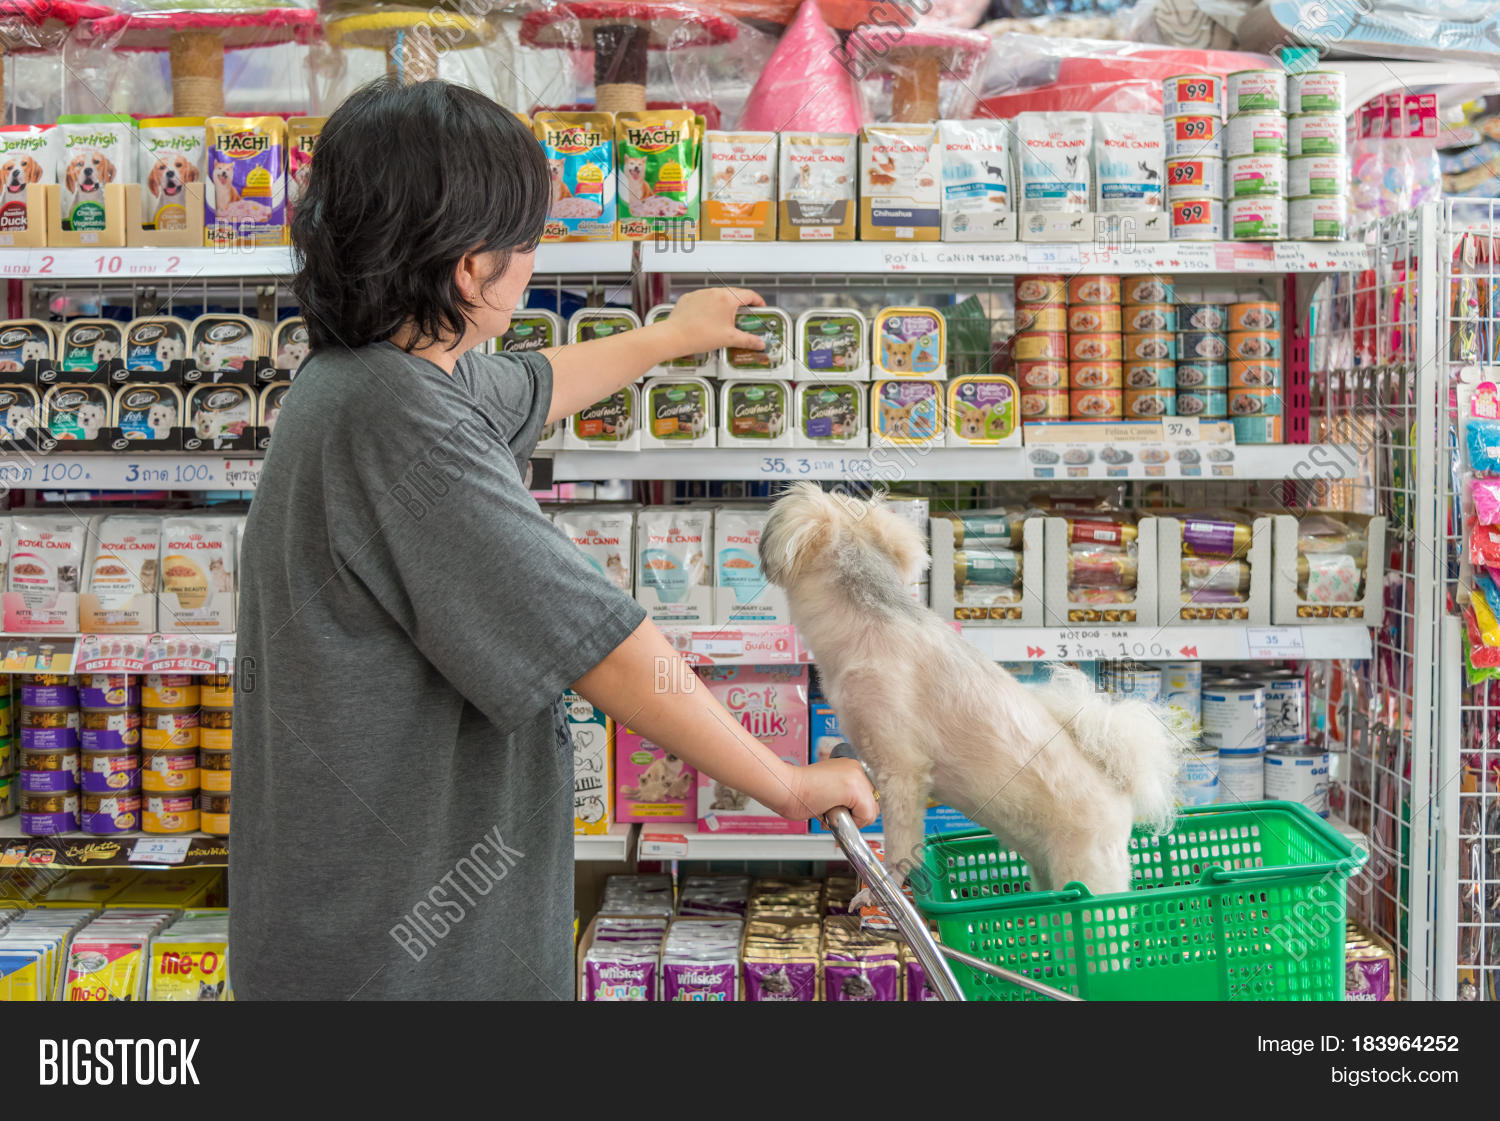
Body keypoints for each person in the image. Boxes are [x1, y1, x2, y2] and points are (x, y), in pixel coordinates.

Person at [229, 78, 877, 1000]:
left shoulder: (361, 379)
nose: (536, 261)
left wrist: (668, 338)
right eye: (529, 241)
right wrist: (785, 782)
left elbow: (534, 382)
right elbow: (602, 647)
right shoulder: (403, 427)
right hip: (400, 961)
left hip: (341, 919)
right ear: (469, 268)